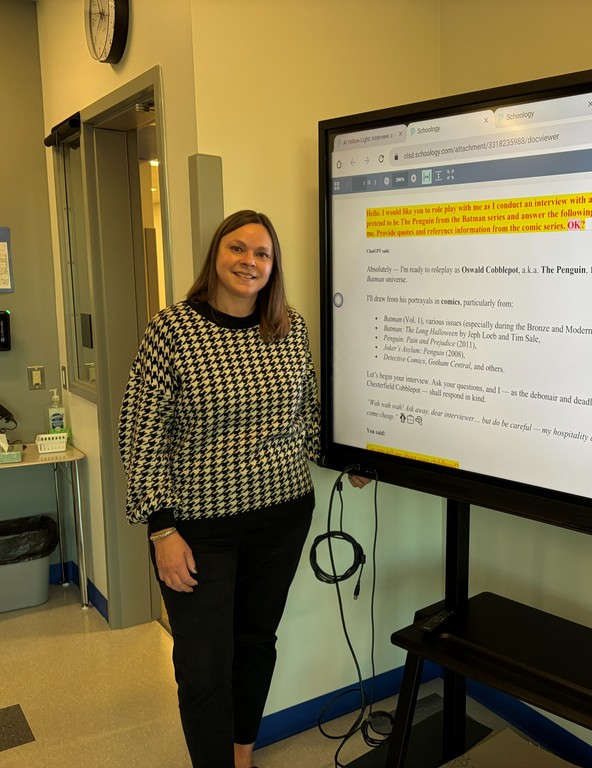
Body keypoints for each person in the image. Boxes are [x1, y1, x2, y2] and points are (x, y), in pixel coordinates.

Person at [119, 210, 365, 768]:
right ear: (216, 254)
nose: (248, 262)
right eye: (238, 249)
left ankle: (242, 755)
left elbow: (305, 418)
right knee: (204, 664)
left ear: (273, 267)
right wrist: (161, 530)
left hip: (280, 518)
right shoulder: (173, 329)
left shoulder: (289, 328)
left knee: (255, 645)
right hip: (197, 531)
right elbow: (140, 431)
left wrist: (347, 458)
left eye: (261, 254)